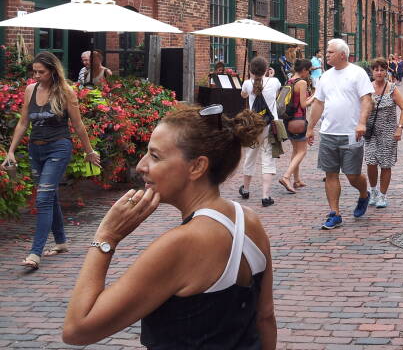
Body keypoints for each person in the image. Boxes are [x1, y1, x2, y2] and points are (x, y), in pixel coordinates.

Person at [60, 104, 277, 348]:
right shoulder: (249, 220)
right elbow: (265, 316)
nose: (142, 166)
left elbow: (77, 329)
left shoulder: (181, 244)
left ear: (196, 167)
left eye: (155, 156)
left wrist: (106, 236)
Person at [2, 51, 100, 270]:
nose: (36, 75)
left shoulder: (66, 92)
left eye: (41, 72)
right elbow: (23, 122)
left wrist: (89, 151)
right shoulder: (30, 90)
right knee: (49, 196)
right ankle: (61, 241)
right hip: (35, 150)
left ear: (53, 71)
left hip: (58, 148)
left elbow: (78, 125)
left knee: (43, 199)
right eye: (34, 71)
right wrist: (11, 151)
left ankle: (35, 253)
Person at [305, 39, 373, 230]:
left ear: (342, 54)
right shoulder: (325, 76)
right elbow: (318, 103)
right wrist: (311, 128)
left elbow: (366, 100)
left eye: (330, 52)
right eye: (327, 52)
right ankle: (335, 213)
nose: (326, 55)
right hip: (328, 133)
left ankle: (363, 194)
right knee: (331, 174)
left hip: (351, 133)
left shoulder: (357, 73)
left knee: (352, 175)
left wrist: (361, 123)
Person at [365, 58, 403, 209]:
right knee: (370, 161)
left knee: (385, 164)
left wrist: (400, 127)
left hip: (388, 132)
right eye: (376, 69)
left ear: (386, 71)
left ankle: (383, 195)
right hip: (370, 132)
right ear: (372, 71)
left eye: (382, 69)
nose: (379, 72)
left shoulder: (391, 88)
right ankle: (373, 190)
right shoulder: (367, 88)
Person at [239, 57, 282, 207]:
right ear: (266, 69)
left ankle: (245, 189)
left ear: (251, 70)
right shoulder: (274, 81)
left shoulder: (247, 84)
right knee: (268, 159)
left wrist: (251, 80)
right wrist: (271, 76)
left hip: (253, 127)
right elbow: (276, 92)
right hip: (270, 126)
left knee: (250, 157)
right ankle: (265, 196)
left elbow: (243, 95)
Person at [278, 58, 315, 194]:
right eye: (309, 71)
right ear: (304, 70)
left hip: (288, 120)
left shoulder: (290, 80)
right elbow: (304, 104)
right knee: (302, 151)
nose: (309, 74)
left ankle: (297, 179)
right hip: (298, 120)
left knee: (295, 150)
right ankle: (286, 176)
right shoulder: (302, 82)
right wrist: (315, 97)